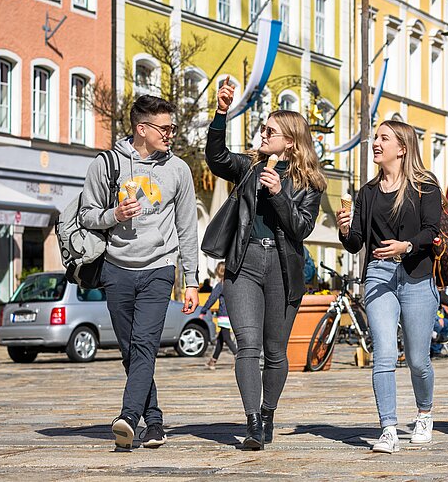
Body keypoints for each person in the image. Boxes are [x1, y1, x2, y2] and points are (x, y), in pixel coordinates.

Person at [187, 82, 325, 451]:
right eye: (262, 130)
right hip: (244, 263)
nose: (262, 135)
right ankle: (251, 422)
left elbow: (301, 228)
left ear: (291, 142)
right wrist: (221, 113)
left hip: (283, 267)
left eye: (270, 131)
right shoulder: (249, 167)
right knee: (247, 344)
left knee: (275, 350)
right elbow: (216, 158)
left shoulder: (310, 182)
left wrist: (279, 194)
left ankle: (267, 412)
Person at [79, 95, 201, 451]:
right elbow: (86, 214)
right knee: (131, 352)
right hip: (116, 269)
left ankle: (128, 417)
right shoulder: (108, 164)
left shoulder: (178, 169)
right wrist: (113, 215)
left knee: (146, 343)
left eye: (173, 128)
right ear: (141, 129)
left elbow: (187, 228)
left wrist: (191, 280)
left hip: (159, 267)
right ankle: (156, 422)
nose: (171, 134)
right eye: (165, 128)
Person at [336, 119, 442, 454]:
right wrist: (344, 229)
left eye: (384, 138)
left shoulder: (425, 186)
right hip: (379, 275)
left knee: (417, 360)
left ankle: (424, 414)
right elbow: (356, 244)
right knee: (382, 354)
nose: (376, 143)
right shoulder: (366, 193)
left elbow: (431, 231)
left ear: (402, 147)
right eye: (375, 138)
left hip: (416, 275)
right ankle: (388, 428)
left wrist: (405, 246)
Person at [200, 262, 237, 370]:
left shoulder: (220, 285)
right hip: (232, 314)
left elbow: (212, 298)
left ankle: (238, 356)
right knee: (221, 339)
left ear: (219, 272)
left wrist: (203, 311)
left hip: (224, 315)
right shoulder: (232, 284)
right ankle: (213, 361)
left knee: (226, 338)